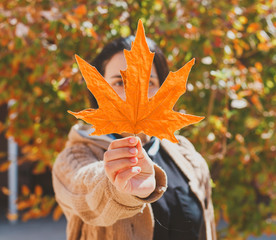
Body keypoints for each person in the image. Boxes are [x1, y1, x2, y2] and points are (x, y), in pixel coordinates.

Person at [52, 35, 217, 240]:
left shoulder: (188, 158)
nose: (133, 92)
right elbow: (85, 190)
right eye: (120, 82)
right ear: (98, 91)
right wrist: (118, 185)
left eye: (149, 82)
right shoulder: (75, 158)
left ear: (164, 90)